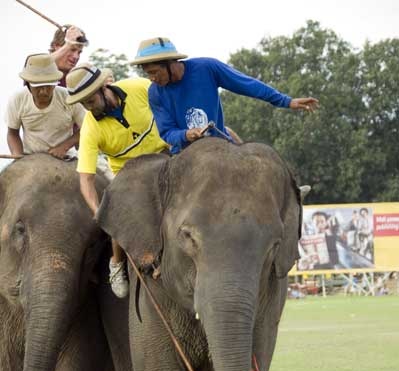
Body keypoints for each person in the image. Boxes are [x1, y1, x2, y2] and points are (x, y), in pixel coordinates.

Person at [65, 63, 169, 297]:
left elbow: (170, 101)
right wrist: (100, 213)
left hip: (166, 155)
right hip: (129, 174)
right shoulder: (91, 126)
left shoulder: (139, 87)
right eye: (82, 104)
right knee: (116, 209)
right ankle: (117, 263)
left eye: (89, 101)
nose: (87, 108)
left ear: (105, 87)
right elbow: (86, 180)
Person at [130, 37, 319, 154]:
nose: (152, 78)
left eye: (155, 72)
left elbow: (248, 85)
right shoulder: (155, 93)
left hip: (220, 145)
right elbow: (167, 132)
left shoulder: (207, 68)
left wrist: (287, 101)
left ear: (170, 63)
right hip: (183, 154)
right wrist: (186, 134)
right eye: (148, 74)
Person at [5, 53, 85, 158]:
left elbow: (87, 127)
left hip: (66, 157)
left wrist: (64, 147)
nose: (44, 92)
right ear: (28, 84)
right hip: (30, 157)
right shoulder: (17, 99)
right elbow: (13, 133)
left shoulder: (69, 98)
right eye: (38, 86)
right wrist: (17, 156)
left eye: (49, 86)